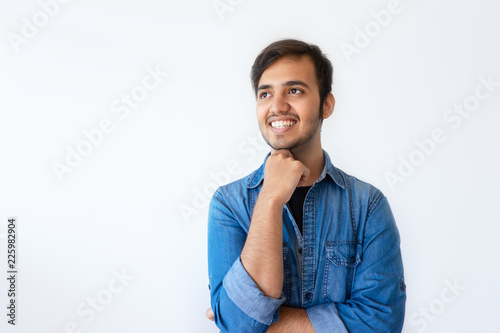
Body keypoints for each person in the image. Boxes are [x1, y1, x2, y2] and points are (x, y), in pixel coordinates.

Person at [206, 39, 406, 332]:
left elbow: (380, 323)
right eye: (265, 94)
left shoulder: (367, 205)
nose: (277, 106)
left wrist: (265, 325)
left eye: (294, 90)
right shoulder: (229, 203)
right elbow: (238, 325)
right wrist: (270, 198)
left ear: (326, 104)